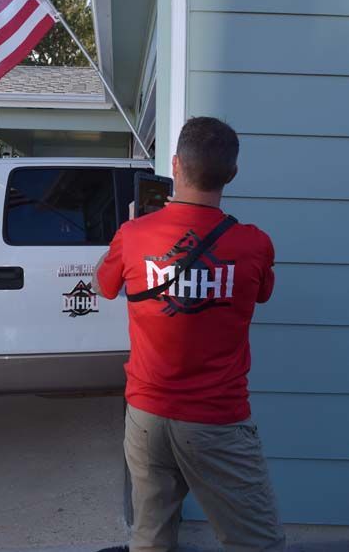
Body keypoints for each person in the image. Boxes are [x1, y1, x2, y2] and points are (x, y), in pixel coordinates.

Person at [92, 117, 285, 552]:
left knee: (150, 538)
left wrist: (131, 235)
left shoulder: (133, 234)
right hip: (216, 419)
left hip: (145, 415)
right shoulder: (254, 243)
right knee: (257, 542)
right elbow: (264, 293)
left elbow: (104, 285)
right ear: (231, 174)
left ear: (175, 165)